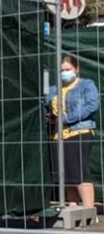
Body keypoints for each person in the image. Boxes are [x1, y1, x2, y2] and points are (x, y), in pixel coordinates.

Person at [43, 53, 99, 210]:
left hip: (79, 132)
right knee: (66, 174)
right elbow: (44, 106)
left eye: (68, 69)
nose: (64, 73)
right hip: (57, 135)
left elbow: (91, 105)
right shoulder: (54, 90)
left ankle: (89, 210)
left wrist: (65, 119)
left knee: (80, 172)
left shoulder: (87, 85)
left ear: (77, 69)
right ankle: (73, 206)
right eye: (62, 70)